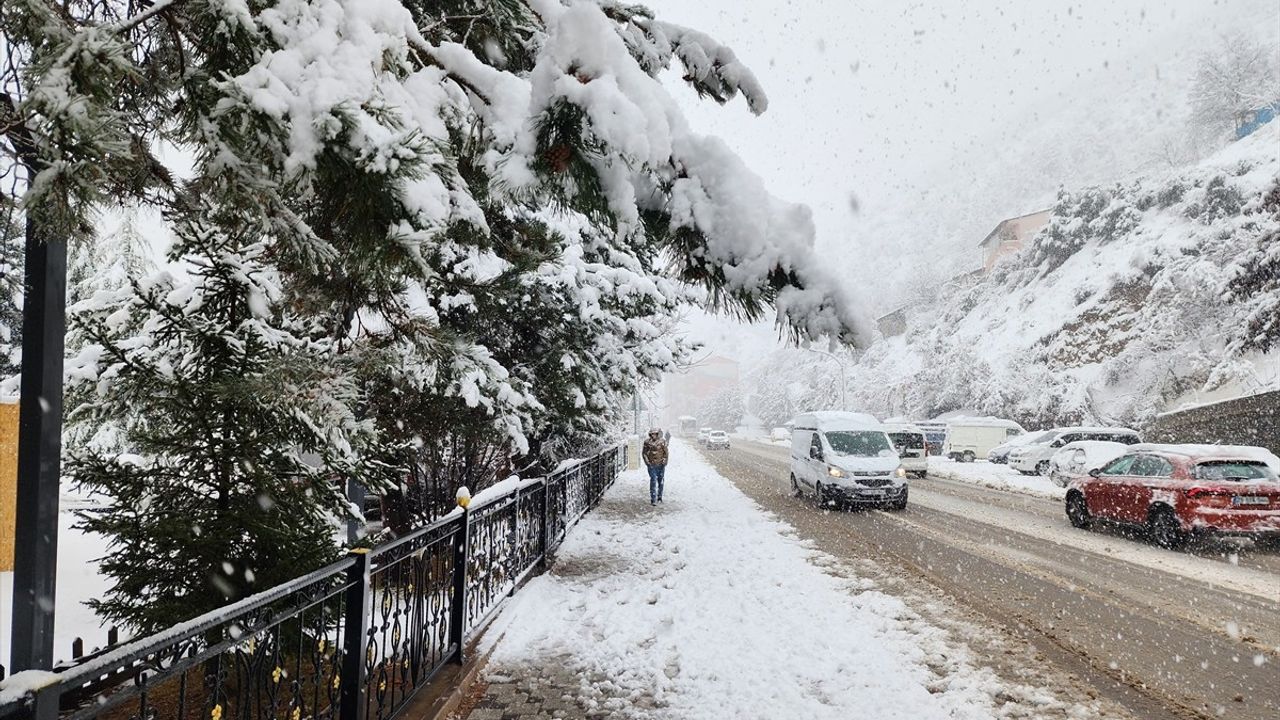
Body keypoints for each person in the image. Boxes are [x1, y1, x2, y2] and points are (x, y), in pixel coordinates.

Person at [642, 429, 669, 505]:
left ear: (657, 434)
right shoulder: (647, 442)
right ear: (650, 434)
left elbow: (666, 453)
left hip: (660, 465)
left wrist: (664, 461)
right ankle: (653, 498)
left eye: (655, 434)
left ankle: (659, 497)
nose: (654, 435)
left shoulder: (662, 442)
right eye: (652, 434)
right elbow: (644, 453)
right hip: (652, 465)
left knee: (661, 481)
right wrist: (647, 463)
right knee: (653, 480)